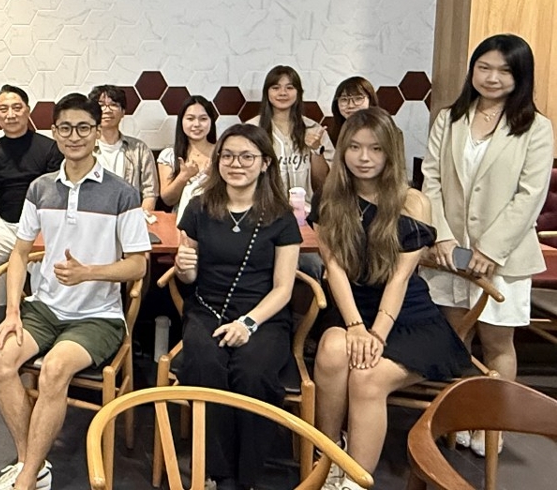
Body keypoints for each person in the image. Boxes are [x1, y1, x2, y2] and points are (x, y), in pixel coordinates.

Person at [0, 93, 151, 490]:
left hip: (98, 317)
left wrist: (89, 272)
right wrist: (12, 311)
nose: (74, 136)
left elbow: (138, 265)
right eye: (65, 128)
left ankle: (26, 479)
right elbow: (20, 253)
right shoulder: (41, 188)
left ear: (96, 132)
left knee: (55, 369)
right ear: (54, 132)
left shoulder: (122, 193)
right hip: (44, 309)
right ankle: (31, 464)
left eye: (83, 128)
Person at [310, 109, 472, 490]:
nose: (364, 157)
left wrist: (376, 334)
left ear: (390, 153)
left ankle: (355, 481)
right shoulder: (328, 201)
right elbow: (334, 269)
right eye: (354, 147)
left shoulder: (413, 202)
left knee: (367, 378)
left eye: (375, 149)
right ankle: (328, 455)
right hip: (353, 307)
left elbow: (400, 279)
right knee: (332, 350)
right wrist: (355, 326)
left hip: (411, 318)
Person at [421, 34, 553, 456]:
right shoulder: (450, 118)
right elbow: (431, 179)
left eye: (504, 71)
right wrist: (441, 234)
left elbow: (529, 196)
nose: (492, 77)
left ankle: (492, 427)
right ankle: (457, 419)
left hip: (503, 258)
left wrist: (491, 249)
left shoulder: (535, 127)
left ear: (520, 76)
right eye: (484, 67)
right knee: (455, 339)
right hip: (449, 253)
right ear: (473, 70)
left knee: (497, 346)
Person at [173, 124, 301, 490]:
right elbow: (189, 276)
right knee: (205, 365)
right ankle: (219, 473)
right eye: (227, 156)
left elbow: (283, 288)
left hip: (263, 316)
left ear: (265, 163)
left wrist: (248, 323)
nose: (236, 164)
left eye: (247, 156)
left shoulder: (281, 216)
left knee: (253, 372)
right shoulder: (199, 207)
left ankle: (248, 475)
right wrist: (184, 268)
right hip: (207, 309)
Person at [0, 84, 62, 341]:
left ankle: (41, 328)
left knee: (42, 275)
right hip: (8, 224)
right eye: (4, 109)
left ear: (27, 110)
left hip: (43, 228)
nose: (11, 114)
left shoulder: (50, 148)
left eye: (17, 107)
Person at [251, 65, 334, 203]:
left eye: (289, 88)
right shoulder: (251, 129)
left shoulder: (313, 129)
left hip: (306, 210)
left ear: (298, 92)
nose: (283, 93)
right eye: (275, 88)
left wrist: (316, 150)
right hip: (264, 209)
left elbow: (324, 182)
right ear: (267, 92)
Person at [87, 85, 158, 213]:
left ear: (123, 112)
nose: (107, 110)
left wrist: (138, 220)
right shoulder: (85, 148)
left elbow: (150, 193)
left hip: (130, 215)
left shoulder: (139, 149)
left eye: (113, 105)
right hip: (93, 217)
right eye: (101, 105)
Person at [157, 95, 218, 212]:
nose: (197, 124)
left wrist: (213, 177)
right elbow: (168, 200)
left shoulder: (222, 154)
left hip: (217, 216)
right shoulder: (169, 155)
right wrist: (183, 176)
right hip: (181, 219)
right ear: (181, 121)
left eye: (203, 119)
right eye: (190, 119)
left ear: (211, 121)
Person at [326, 76, 378, 145]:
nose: (351, 105)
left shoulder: (383, 131)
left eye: (358, 98)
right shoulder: (331, 134)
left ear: (371, 100)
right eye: (344, 99)